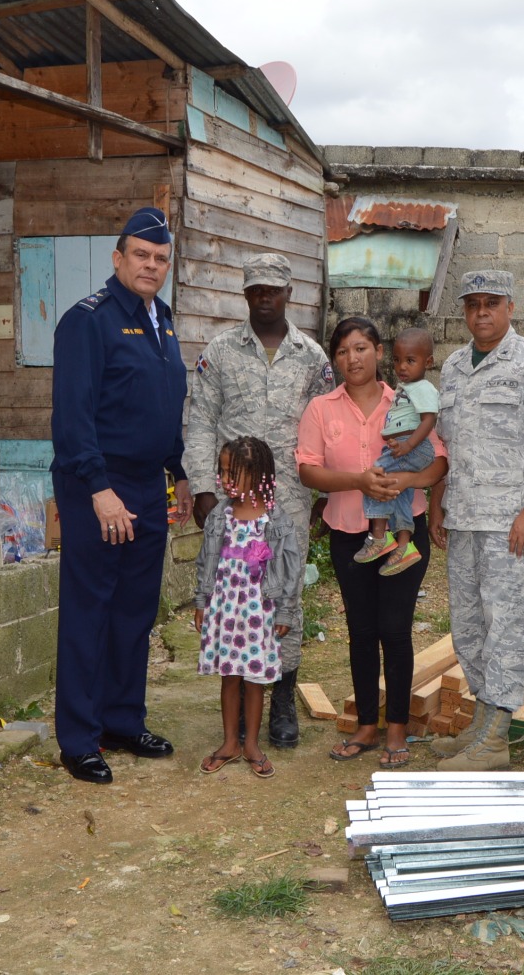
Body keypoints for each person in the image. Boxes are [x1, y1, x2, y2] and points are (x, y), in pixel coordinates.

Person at [50, 206, 192, 785]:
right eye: (141, 255)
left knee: (135, 610)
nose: (151, 265)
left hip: (148, 484)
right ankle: (79, 739)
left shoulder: (165, 322)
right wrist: (100, 489)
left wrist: (179, 470)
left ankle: (122, 721)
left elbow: (164, 407)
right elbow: (73, 417)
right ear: (118, 258)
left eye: (160, 258)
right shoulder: (89, 321)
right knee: (91, 611)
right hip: (97, 485)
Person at [184, 253, 333, 749]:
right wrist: (205, 486)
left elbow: (327, 426)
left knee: (283, 594)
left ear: (290, 293)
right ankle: (238, 703)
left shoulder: (312, 358)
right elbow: (201, 419)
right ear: (245, 295)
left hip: (288, 498)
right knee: (232, 596)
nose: (264, 297)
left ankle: (283, 698)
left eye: (273, 289)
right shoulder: (221, 352)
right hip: (233, 504)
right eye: (256, 290)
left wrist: (323, 495)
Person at [430, 270, 524, 771]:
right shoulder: (453, 367)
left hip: (512, 523)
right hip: (465, 518)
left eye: (491, 303)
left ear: (510, 307)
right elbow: (446, 443)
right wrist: (439, 502)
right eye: (472, 305)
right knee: (468, 628)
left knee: (505, 626)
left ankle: (497, 740)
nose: (481, 313)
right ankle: (482, 723)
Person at [297, 317, 449, 769]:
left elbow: (440, 461)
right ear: (335, 359)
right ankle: (366, 723)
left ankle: (397, 728)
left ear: (379, 352)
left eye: (361, 348)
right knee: (362, 632)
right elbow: (308, 470)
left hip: (406, 532)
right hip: (349, 534)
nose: (352, 358)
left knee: (395, 629)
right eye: (343, 351)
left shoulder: (406, 397)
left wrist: (404, 479)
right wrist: (359, 482)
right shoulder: (321, 409)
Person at [192, 437, 302, 780]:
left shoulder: (275, 521)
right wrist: (201, 601)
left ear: (258, 476)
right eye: (223, 471)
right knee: (229, 677)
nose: (225, 480)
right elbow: (205, 562)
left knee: (254, 681)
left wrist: (285, 612)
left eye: (233, 473)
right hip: (225, 609)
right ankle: (229, 743)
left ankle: (252, 745)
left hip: (258, 613)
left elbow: (290, 571)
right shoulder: (219, 516)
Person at [355, 327, 440, 577]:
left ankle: (379, 536)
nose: (402, 366)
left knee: (377, 476)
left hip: (413, 447)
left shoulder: (423, 387)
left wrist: (407, 446)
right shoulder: (406, 387)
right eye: (397, 360)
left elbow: (429, 420)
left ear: (428, 362)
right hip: (403, 445)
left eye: (410, 361)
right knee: (398, 493)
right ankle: (404, 546)